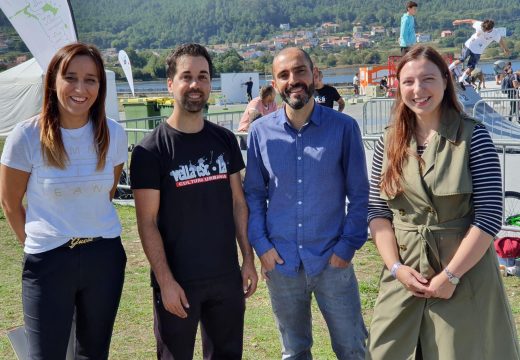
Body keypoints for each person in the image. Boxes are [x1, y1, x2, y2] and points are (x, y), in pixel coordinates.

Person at [365, 45, 519, 360]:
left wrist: (451, 276)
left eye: (428, 79)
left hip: (463, 274)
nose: (418, 90)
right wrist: (396, 268)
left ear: (446, 81)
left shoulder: (473, 137)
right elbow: (378, 212)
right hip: (405, 274)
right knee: (386, 351)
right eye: (408, 81)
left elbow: (489, 216)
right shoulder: (387, 141)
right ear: (399, 86)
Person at [130, 43, 258, 360]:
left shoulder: (224, 139)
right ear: (170, 83)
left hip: (225, 277)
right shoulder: (150, 151)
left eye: (203, 76)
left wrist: (247, 259)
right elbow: (146, 223)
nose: (195, 84)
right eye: (186, 76)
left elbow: (238, 202)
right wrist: (165, 281)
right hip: (178, 283)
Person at [0, 43, 127, 359]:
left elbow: (106, 192)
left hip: (104, 257)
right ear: (53, 81)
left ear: (101, 85)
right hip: (49, 261)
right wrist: (41, 245)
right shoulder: (26, 135)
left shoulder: (114, 134)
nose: (81, 89)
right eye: (71, 77)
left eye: (91, 80)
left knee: (93, 353)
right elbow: (10, 203)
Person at [244, 47, 369, 360]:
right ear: (274, 83)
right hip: (282, 262)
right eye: (284, 75)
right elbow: (255, 194)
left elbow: (360, 194)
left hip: (332, 260)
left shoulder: (344, 128)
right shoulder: (259, 133)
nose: (293, 80)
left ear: (314, 75)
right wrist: (262, 246)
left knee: (352, 348)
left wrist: (346, 248)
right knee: (294, 351)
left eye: (300, 71)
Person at [449, 19, 509, 86]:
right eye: (483, 29)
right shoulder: (480, 24)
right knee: (461, 59)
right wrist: (460, 21)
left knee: (471, 67)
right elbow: (470, 20)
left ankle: (461, 81)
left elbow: (501, 41)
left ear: (490, 29)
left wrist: (505, 49)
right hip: (469, 45)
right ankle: (448, 69)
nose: (483, 31)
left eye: (485, 30)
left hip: (478, 51)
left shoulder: (495, 33)